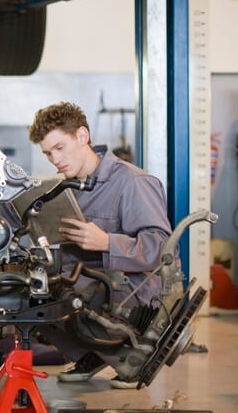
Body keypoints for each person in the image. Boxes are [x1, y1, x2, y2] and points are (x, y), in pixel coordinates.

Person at [27, 102, 172, 388]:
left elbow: (162, 248)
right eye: (47, 153)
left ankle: (127, 357)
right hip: (89, 282)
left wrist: (106, 242)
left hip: (132, 293)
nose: (55, 159)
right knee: (30, 290)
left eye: (60, 148)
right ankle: (95, 353)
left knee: (60, 296)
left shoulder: (133, 182)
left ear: (82, 136)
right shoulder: (66, 187)